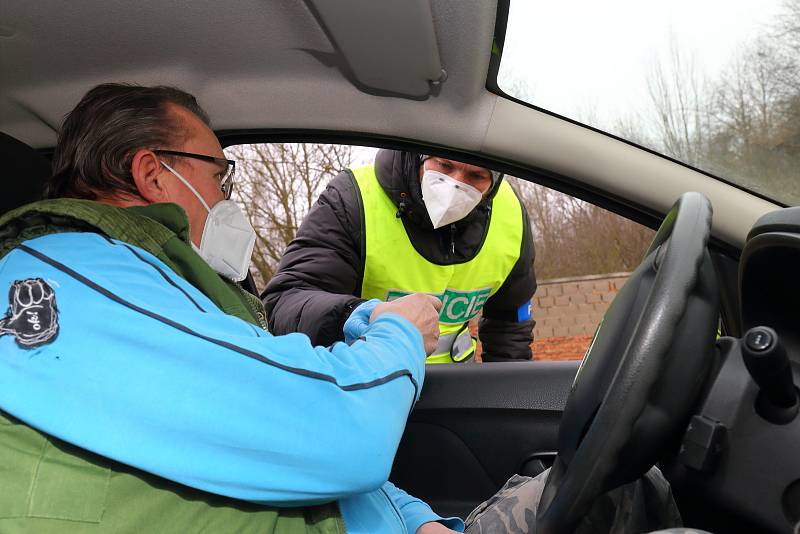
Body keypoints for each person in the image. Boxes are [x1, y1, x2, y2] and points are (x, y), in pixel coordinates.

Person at [0, 83, 461, 534]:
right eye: (219, 176)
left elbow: (269, 412)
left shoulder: (153, 286)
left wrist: (415, 519)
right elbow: (342, 430)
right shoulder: (67, 274)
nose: (225, 196)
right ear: (152, 173)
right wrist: (399, 332)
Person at [263, 149, 537, 363]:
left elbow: (511, 324)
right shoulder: (352, 199)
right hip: (367, 388)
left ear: (494, 182)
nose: (455, 185)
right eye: (444, 166)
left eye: (476, 176)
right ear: (419, 156)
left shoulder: (510, 215)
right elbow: (285, 304)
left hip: (457, 393)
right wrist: (362, 315)